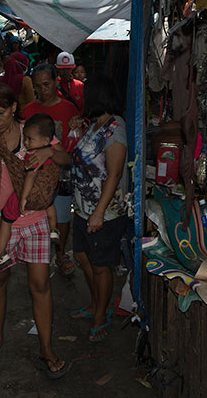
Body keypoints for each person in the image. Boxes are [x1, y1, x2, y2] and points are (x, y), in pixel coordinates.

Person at [0, 82, 70, 378]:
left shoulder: (34, 131)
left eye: (1, 113)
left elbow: (67, 158)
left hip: (34, 221)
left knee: (41, 284)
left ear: (14, 108)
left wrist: (47, 153)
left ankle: (46, 347)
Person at [68, 74, 129, 342]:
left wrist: (99, 212)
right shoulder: (93, 126)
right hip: (83, 208)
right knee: (83, 257)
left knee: (101, 266)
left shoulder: (115, 127)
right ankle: (96, 304)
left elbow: (114, 175)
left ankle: (100, 315)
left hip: (103, 212)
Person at [20, 64, 81, 276]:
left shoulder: (69, 109)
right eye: (37, 86)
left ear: (56, 82)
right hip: (34, 175)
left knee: (62, 217)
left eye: (46, 84)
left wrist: (50, 153)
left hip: (61, 174)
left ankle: (61, 253)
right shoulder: (27, 111)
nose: (42, 90)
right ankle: (37, 256)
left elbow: (75, 150)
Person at [0, 114, 60, 274]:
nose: (25, 142)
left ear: (46, 141)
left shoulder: (33, 156)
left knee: (6, 218)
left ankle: (0, 255)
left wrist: (23, 197)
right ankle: (53, 229)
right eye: (24, 138)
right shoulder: (49, 153)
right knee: (49, 203)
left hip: (27, 192)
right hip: (45, 193)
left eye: (29, 139)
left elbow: (30, 176)